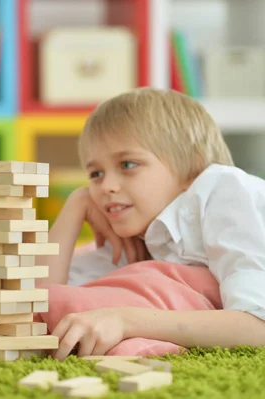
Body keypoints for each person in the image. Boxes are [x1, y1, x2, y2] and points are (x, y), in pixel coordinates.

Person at [38, 87, 265, 359]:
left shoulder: (222, 190)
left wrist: (125, 320)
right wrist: (76, 205)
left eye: (128, 164)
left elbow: (257, 326)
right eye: (95, 173)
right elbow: (41, 301)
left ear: (192, 168)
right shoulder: (141, 231)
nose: (106, 186)